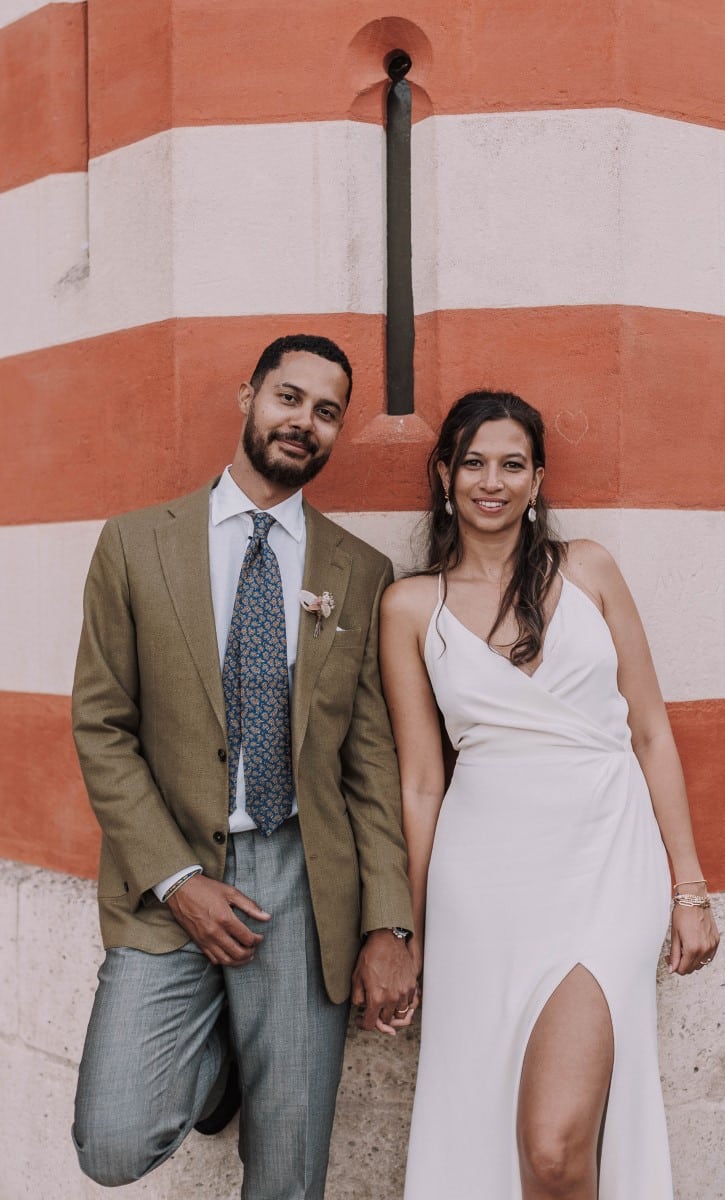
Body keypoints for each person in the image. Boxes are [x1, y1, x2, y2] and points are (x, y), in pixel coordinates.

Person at [71, 333, 417, 1200]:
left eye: (327, 411)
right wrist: (178, 879)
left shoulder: (359, 572)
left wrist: (391, 924)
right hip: (173, 876)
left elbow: (371, 769)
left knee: (289, 1172)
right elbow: (102, 725)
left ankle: (261, 1031)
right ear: (248, 397)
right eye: (289, 397)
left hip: (306, 880)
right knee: (111, 1142)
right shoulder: (134, 543)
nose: (304, 422)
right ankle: (222, 1056)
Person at [380, 391, 720, 1200]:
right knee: (487, 1124)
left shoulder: (591, 568)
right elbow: (422, 783)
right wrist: (411, 932)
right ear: (443, 474)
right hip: (482, 890)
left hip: (605, 863)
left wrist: (691, 888)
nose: (490, 481)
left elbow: (651, 734)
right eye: (472, 462)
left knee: (557, 1146)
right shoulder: (409, 606)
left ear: (539, 478)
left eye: (511, 463)